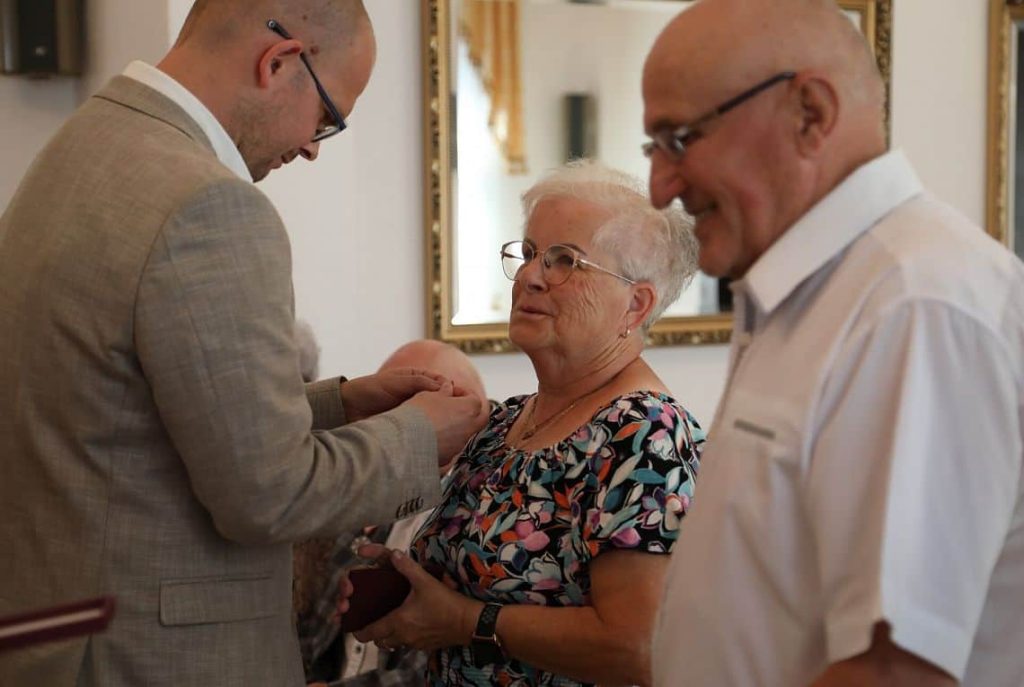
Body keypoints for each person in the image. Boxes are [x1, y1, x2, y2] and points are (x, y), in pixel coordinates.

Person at [0, 1, 486, 685]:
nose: (313, 147)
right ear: (279, 62)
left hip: (65, 635)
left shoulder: (83, 145)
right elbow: (269, 495)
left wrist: (342, 403)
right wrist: (418, 435)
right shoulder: (207, 203)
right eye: (328, 117)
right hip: (151, 656)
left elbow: (129, 412)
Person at [641, 1, 1024, 685]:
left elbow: (892, 673)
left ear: (810, 114)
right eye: (654, 148)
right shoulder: (818, 293)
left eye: (679, 139)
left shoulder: (914, 304)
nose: (659, 187)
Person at [353, 160, 706, 686]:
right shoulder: (506, 422)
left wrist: (466, 622)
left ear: (635, 304)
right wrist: (404, 583)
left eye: (565, 261)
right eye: (530, 253)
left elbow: (637, 647)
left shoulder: (646, 434)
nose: (530, 277)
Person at [294, 340, 488, 687]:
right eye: (385, 414)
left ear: (470, 419)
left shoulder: (475, 520)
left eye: (412, 412)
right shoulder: (348, 502)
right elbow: (306, 632)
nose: (386, 430)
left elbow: (437, 666)